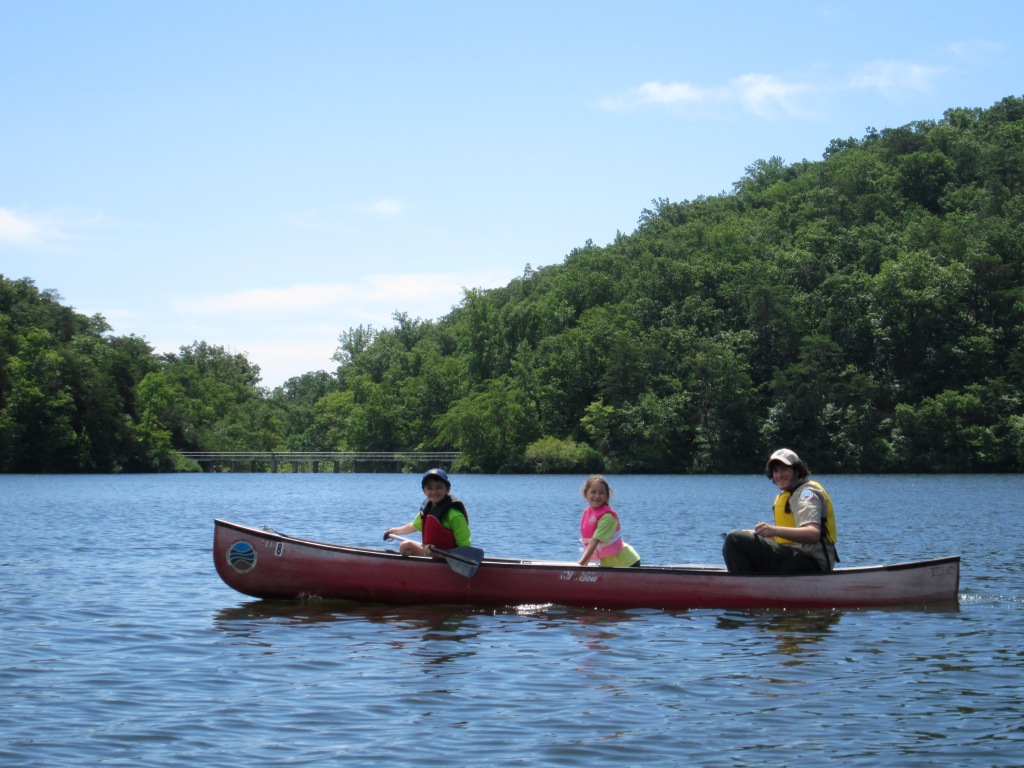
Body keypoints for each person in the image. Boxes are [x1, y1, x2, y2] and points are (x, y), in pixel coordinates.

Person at [722, 448, 838, 574]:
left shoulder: (805, 494)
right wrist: (765, 535)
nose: (779, 475)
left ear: (797, 470)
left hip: (811, 563)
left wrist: (773, 530)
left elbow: (813, 534)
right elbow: (789, 539)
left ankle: (745, 589)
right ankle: (753, 587)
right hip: (795, 558)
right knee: (735, 539)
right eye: (775, 470)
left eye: (784, 469)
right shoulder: (790, 494)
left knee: (735, 539)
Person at [383, 468, 471, 558]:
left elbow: (466, 551)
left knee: (405, 546)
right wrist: (395, 531)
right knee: (405, 546)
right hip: (431, 556)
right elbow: (413, 526)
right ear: (424, 490)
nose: (434, 492)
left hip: (450, 561)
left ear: (447, 489)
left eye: (439, 487)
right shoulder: (427, 510)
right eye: (429, 488)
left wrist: (437, 554)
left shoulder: (455, 516)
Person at [578, 474, 641, 567]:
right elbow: (588, 545)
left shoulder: (608, 517)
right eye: (593, 492)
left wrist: (580, 565)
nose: (597, 496)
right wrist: (584, 567)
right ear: (585, 494)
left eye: (601, 493)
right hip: (609, 564)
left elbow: (594, 543)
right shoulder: (587, 513)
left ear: (607, 497)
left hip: (627, 562)